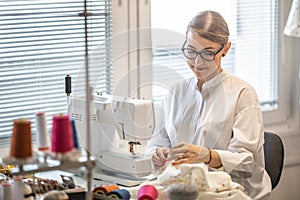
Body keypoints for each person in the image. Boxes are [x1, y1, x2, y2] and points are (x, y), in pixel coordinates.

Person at [146, 10, 272, 200]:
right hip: (185, 191)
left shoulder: (242, 95)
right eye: (191, 50)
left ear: (226, 49)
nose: (197, 62)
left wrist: (208, 156)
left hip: (233, 192)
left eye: (208, 53)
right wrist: (157, 155)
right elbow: (155, 144)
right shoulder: (174, 93)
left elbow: (248, 163)